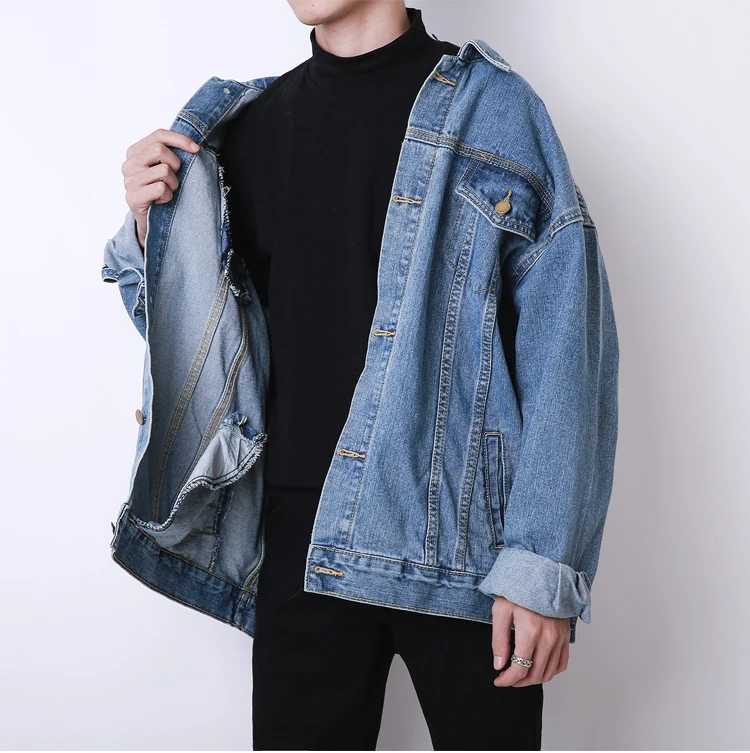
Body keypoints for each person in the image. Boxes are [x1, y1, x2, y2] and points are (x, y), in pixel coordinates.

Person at [112, 1, 618, 750]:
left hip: (462, 551)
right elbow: (205, 355)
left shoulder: (496, 112)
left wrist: (541, 565)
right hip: (300, 544)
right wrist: (154, 227)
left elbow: (567, 347)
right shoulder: (247, 129)